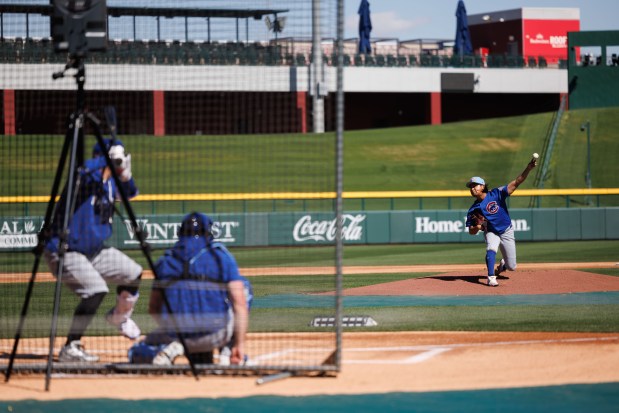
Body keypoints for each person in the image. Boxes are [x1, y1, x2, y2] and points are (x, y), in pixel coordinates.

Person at [44, 139, 142, 362]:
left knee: (133, 273)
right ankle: (71, 346)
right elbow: (82, 171)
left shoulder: (111, 183)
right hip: (64, 249)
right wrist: (105, 160)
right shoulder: (84, 178)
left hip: (92, 250)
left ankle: (119, 317)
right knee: (96, 290)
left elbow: (131, 193)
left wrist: (125, 174)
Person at [137, 212, 250, 366]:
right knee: (244, 289)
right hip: (215, 334)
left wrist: (173, 329)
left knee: (137, 352)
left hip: (176, 335)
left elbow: (153, 308)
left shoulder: (166, 261)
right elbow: (240, 304)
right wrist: (240, 344)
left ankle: (173, 346)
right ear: (208, 233)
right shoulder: (221, 257)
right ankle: (228, 351)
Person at [465, 157, 537, 287]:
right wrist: (477, 225)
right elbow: (471, 231)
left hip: (506, 230)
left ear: (482, 186)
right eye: (470, 187)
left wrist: (528, 168)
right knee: (491, 248)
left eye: (474, 185)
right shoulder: (473, 209)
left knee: (512, 267)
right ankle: (491, 277)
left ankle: (503, 265)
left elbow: (516, 182)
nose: (472, 188)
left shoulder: (496, 194)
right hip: (491, 230)